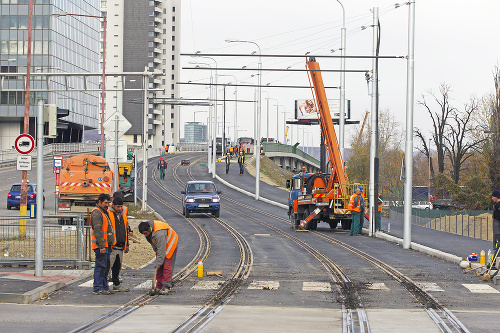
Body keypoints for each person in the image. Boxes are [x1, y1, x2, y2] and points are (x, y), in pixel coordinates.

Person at [139, 220, 178, 295]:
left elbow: (162, 250)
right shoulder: (148, 229)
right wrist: (158, 263)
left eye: (145, 233)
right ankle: (159, 286)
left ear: (148, 229)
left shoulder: (159, 233)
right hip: (161, 245)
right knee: (159, 266)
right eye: (143, 234)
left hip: (170, 244)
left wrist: (158, 263)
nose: (144, 235)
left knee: (167, 266)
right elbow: (154, 244)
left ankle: (166, 286)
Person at [90, 193, 114, 295]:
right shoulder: (97, 213)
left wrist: (109, 243)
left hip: (105, 245)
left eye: (108, 203)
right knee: (101, 266)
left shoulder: (103, 212)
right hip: (101, 246)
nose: (107, 205)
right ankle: (98, 287)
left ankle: (104, 287)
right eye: (105, 203)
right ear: (99, 202)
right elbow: (98, 231)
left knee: (105, 266)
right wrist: (102, 246)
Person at [108, 196, 130, 292]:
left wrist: (127, 244)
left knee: (117, 266)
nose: (119, 208)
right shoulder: (108, 214)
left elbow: (125, 230)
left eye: (121, 206)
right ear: (113, 205)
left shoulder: (123, 215)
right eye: (118, 206)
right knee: (108, 266)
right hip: (112, 246)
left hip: (120, 245)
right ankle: (105, 285)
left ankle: (116, 284)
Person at [492, 190, 500, 254]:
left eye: (493, 197)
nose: (492, 198)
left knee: (498, 241)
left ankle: (496, 257)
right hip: (496, 227)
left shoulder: (498, 205)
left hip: (498, 228)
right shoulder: (496, 204)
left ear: (496, 197)